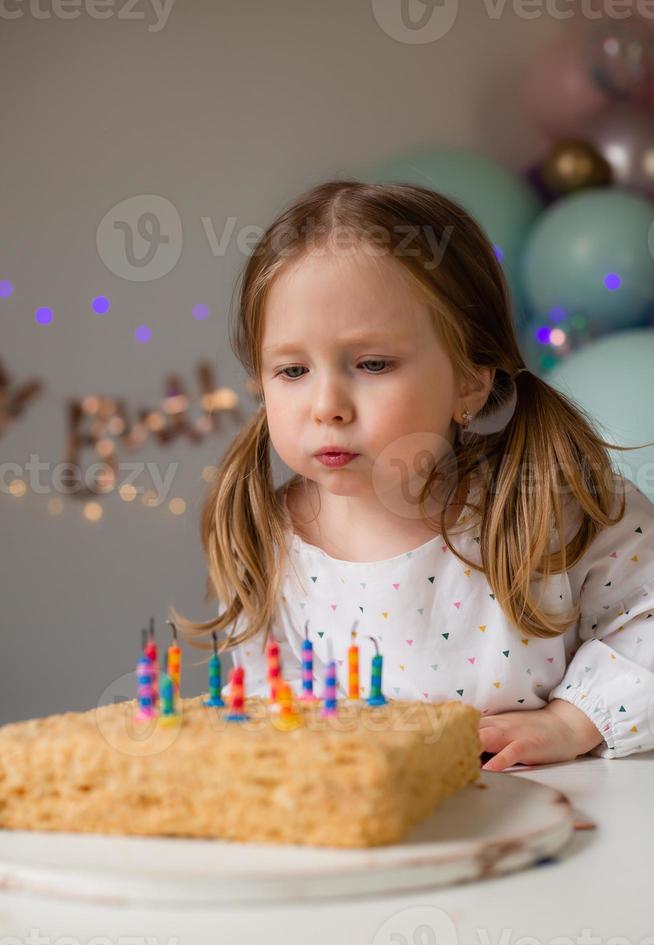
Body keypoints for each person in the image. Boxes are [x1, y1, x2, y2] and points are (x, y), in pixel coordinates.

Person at [170, 179, 654, 772]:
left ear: (470, 381)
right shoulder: (264, 539)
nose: (327, 405)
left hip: (554, 824)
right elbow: (269, 714)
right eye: (292, 370)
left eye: (373, 364)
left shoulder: (552, 507)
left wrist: (572, 719)